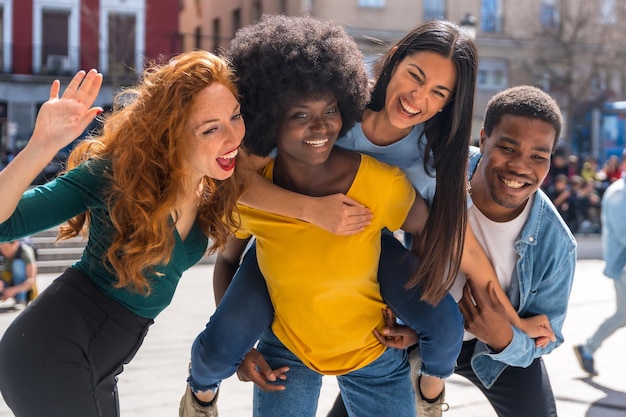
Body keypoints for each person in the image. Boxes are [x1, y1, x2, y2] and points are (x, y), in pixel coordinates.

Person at [182, 18, 554, 417]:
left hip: (368, 248)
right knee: (225, 338)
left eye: (438, 92)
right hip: (286, 239)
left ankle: (429, 391)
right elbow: (235, 180)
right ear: (393, 60)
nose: (418, 97)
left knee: (436, 321)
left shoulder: (429, 160)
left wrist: (514, 321)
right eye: (415, 75)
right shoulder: (331, 107)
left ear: (448, 103)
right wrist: (314, 211)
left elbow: (457, 243)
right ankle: (201, 393)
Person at [0, 50, 247, 417]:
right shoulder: (114, 176)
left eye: (236, 115)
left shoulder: (216, 181)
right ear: (172, 135)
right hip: (48, 351)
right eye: (211, 128)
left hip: (102, 367)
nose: (232, 137)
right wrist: (42, 146)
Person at [371, 86, 577, 417]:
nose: (521, 167)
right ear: (483, 139)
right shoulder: (438, 172)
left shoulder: (556, 243)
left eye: (539, 156)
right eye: (508, 147)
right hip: (421, 330)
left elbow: (548, 337)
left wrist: (503, 338)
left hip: (492, 352)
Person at [574, 173, 626, 376]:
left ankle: (587, 349)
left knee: (622, 316)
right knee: (622, 316)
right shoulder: (618, 194)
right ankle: (587, 348)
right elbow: (624, 232)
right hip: (623, 266)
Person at [0, 239, 38, 309]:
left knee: (18, 264)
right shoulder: (4, 255)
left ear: (14, 243)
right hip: (11, 282)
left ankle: (21, 299)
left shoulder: (25, 251)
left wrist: (12, 290)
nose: (3, 251)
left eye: (6, 248)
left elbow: (31, 281)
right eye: (1, 248)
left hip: (25, 288)